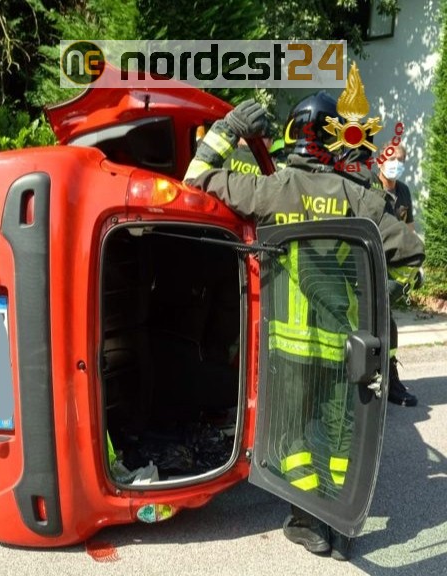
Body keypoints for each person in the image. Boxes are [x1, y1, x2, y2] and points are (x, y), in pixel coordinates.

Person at [183, 92, 425, 561]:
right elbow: (412, 254)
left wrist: (229, 128)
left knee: (291, 436)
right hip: (344, 347)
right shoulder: (360, 199)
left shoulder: (272, 190)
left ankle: (306, 521)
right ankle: (340, 519)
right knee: (338, 436)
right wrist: (380, 295)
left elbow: (196, 177)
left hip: (289, 347)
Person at [372, 142, 419, 407]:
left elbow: (408, 230)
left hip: (391, 265)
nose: (396, 164)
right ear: (380, 160)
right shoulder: (369, 186)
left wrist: (415, 264)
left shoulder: (403, 192)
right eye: (392, 158)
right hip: (368, 260)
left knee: (386, 318)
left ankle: (389, 379)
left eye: (401, 160)